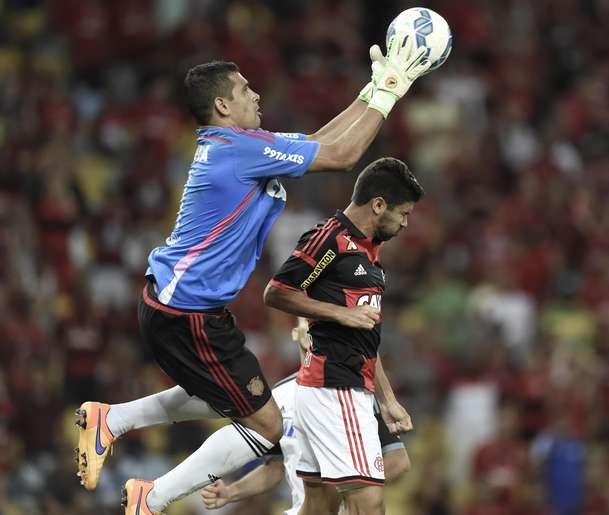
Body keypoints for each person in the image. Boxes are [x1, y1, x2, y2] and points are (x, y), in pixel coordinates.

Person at [74, 31, 432, 515]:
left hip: (186, 308)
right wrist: (391, 93)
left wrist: (373, 91)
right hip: (187, 313)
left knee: (241, 398)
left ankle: (112, 423)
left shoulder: (244, 144)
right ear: (222, 105)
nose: (256, 94)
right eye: (245, 90)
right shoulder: (237, 151)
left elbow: (320, 142)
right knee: (268, 425)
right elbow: (343, 157)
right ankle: (150, 499)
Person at [263, 156, 423, 515]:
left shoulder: (371, 252)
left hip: (343, 388)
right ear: (379, 205)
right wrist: (341, 313)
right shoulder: (331, 238)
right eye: (404, 213)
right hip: (335, 389)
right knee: (369, 502)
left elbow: (365, 335)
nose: (405, 223)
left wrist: (387, 399)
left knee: (317, 507)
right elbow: (277, 291)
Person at [200, 317, 411, 514]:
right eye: (308, 328)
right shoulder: (278, 395)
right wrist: (231, 492)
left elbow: (397, 461)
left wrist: (351, 491)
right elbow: (275, 467)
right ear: (297, 335)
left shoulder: (358, 391)